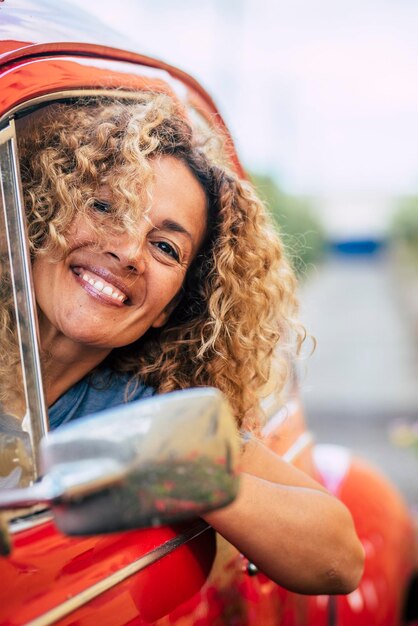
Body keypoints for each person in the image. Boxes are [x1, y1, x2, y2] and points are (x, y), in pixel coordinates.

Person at [9, 92, 363, 594]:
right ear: (47, 213)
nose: (128, 250)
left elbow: (340, 557)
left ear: (170, 308)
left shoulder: (139, 411)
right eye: (106, 206)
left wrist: (181, 475)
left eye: (164, 247)